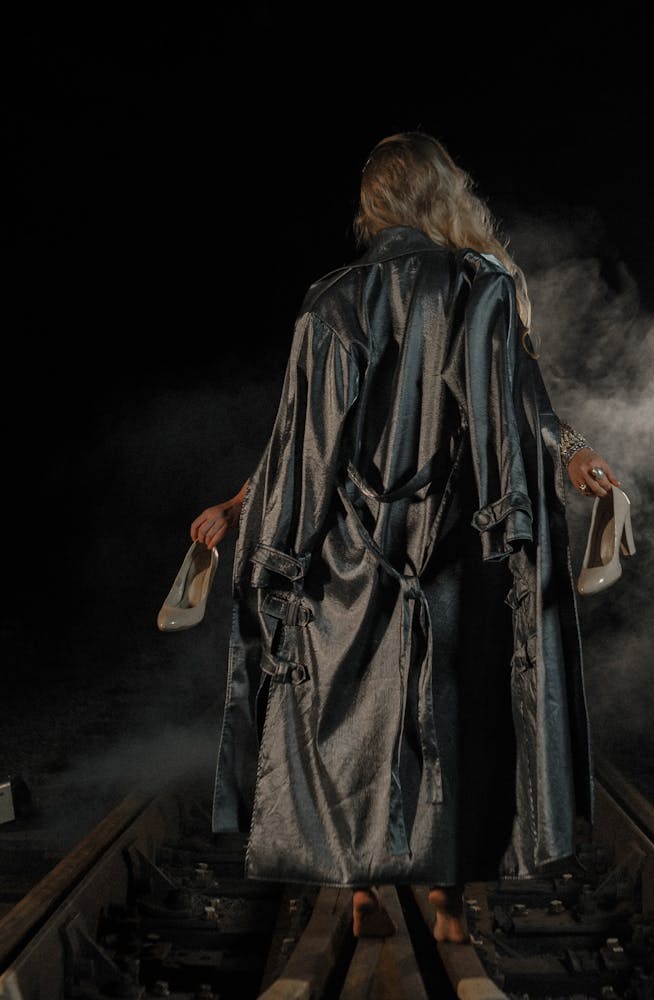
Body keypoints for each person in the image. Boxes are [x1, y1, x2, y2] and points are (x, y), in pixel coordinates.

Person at [189, 131, 620, 943]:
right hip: (453, 557)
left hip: (348, 561)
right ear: (441, 194)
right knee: (453, 715)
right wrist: (570, 454)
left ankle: (363, 894)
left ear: (376, 204)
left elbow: (301, 446)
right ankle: (449, 905)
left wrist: (248, 513)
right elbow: (517, 407)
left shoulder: (329, 300)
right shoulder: (480, 286)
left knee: (353, 712)